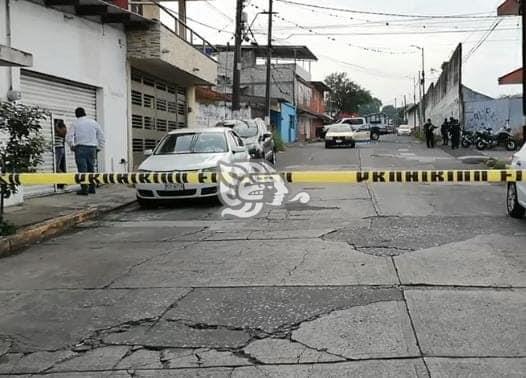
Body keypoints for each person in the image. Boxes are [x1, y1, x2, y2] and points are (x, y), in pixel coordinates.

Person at [66, 107, 105, 195]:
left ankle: (84, 190)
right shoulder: (93, 122)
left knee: (82, 169)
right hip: (92, 148)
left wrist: (72, 145)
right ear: (85, 113)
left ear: (76, 114)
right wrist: (99, 147)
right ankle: (92, 188)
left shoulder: (75, 123)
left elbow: (68, 137)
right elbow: (101, 136)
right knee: (91, 168)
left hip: (80, 148)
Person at [54, 119, 67, 190]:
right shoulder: (61, 128)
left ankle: (64, 180)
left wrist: (56, 125)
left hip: (58, 149)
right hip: (59, 149)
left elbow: (60, 133)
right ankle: (62, 182)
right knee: (58, 167)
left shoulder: (62, 129)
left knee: (57, 167)